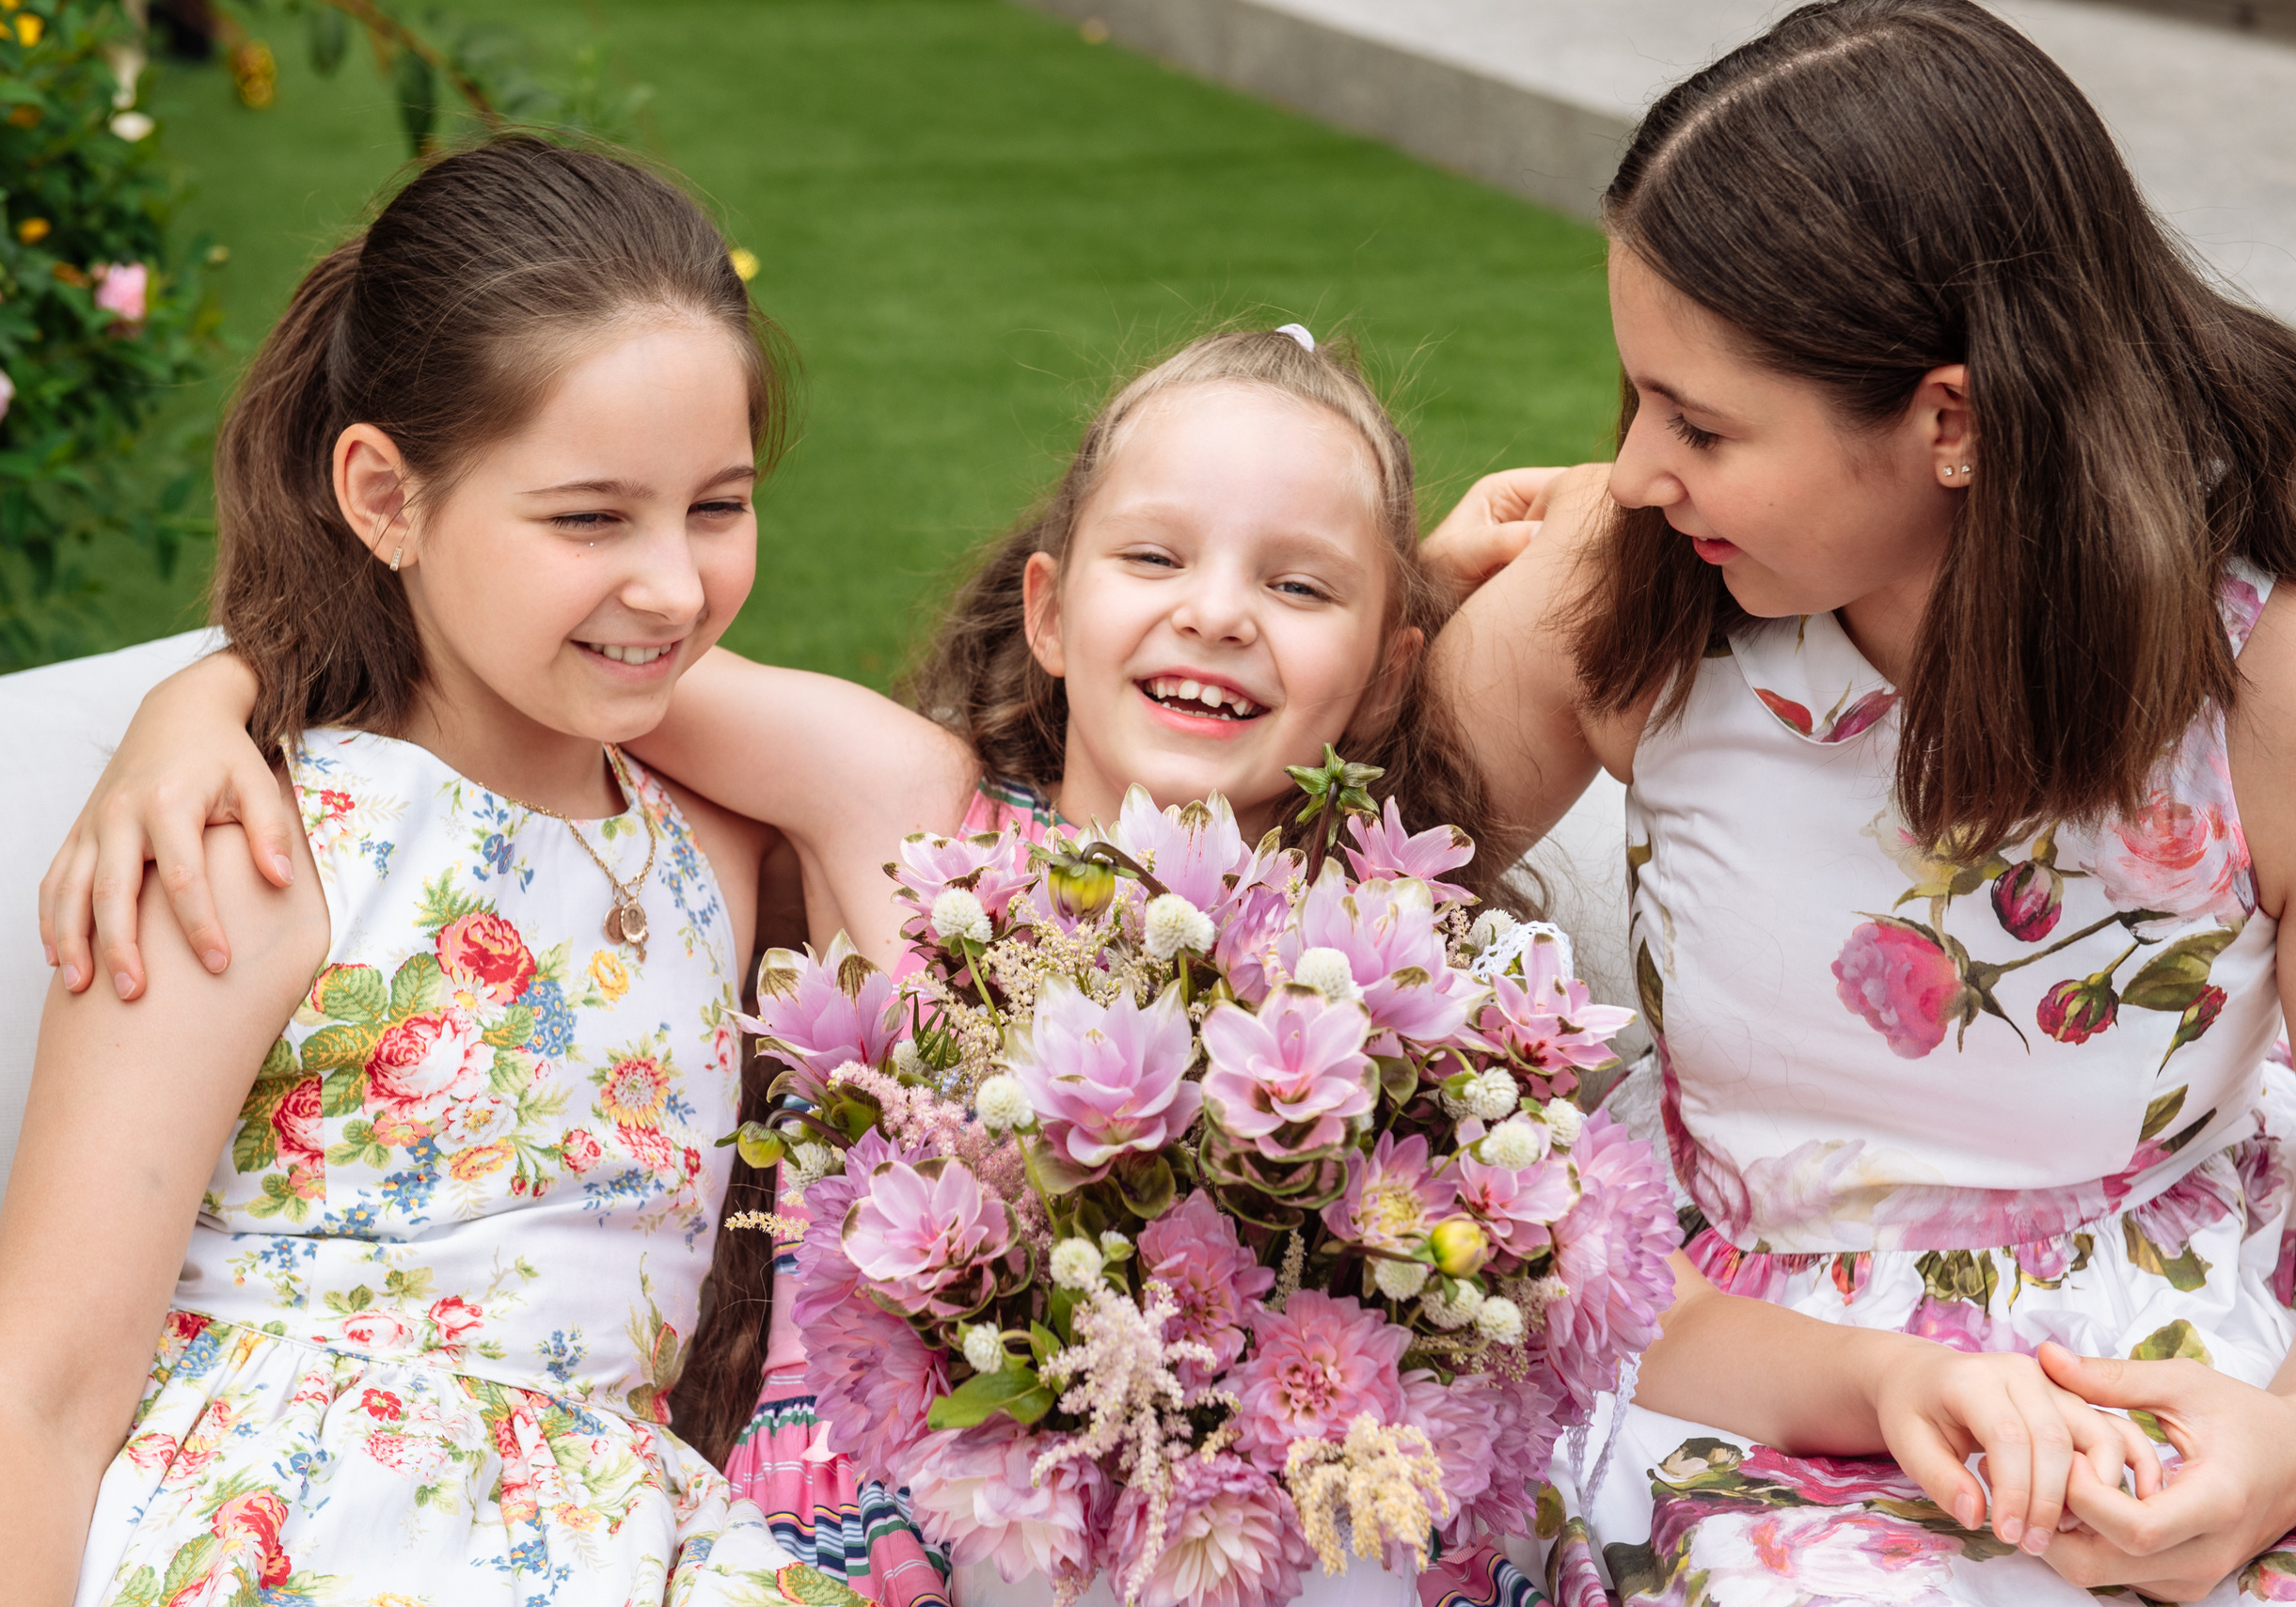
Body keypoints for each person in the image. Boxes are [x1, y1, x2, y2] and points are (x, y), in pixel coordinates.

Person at [32, 327, 1572, 1604]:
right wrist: (212, 694)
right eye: (1157, 554)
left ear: (1381, 671)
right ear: (1048, 608)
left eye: (1296, 588)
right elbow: (501, 639)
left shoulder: (1372, 947)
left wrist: (1404, 586)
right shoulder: (908, 805)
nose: (1219, 611)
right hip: (884, 1527)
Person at [1424, 0, 2296, 1599]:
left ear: (1950, 421)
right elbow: (1300, 908)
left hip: (2190, 1375)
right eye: (1640, 401)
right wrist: (1405, 591)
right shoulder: (1628, 590)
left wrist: (2282, 1457)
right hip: (1726, 1375)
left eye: (1704, 423)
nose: (1641, 471)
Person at [0, 136, 824, 1606]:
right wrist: (202, 702)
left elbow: (926, 782)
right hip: (296, 1526)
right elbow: (43, 1389)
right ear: (386, 495)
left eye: (717, 505)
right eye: (589, 515)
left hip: (624, 1537)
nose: (675, 586)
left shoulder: (720, 838)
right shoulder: (249, 842)